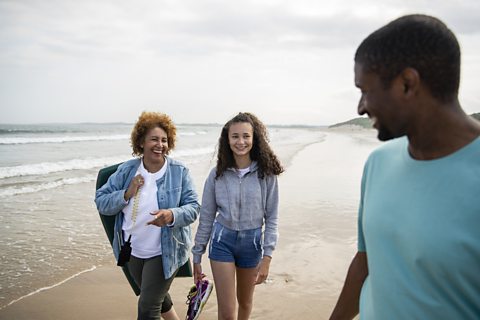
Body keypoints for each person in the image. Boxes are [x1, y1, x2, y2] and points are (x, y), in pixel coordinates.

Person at [329, 14, 480, 320]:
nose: (360, 106)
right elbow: (365, 262)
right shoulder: (378, 163)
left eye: (365, 90)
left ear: (407, 84)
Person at [95, 111, 200, 320]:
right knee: (154, 298)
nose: (159, 144)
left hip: (164, 251)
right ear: (141, 142)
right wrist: (127, 193)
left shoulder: (179, 171)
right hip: (132, 250)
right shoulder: (127, 171)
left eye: (164, 140)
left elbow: (194, 207)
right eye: (154, 139)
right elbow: (101, 201)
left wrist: (171, 215)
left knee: (147, 307)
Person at [192, 112, 284, 320]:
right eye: (235, 136)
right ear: (227, 139)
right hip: (222, 242)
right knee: (226, 312)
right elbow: (206, 217)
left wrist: (267, 257)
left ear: (254, 138)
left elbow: (272, 218)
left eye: (245, 136)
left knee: (245, 303)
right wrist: (197, 255)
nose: (240, 142)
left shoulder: (266, 174)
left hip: (251, 245)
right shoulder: (216, 175)